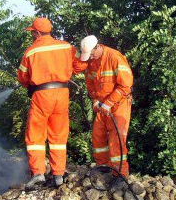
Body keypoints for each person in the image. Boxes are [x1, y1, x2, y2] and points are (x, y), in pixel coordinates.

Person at [17, 17, 86, 189]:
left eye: (32, 31)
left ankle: (38, 173)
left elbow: (22, 77)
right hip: (62, 93)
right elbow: (79, 66)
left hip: (42, 95)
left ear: (37, 32)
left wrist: (30, 85)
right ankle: (58, 175)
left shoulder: (31, 52)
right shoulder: (65, 46)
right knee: (58, 135)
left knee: (35, 135)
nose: (32, 34)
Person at [79, 35, 133, 178]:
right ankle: (103, 167)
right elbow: (90, 85)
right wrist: (96, 100)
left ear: (98, 47)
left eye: (91, 54)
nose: (90, 57)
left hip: (119, 104)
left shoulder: (114, 57)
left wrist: (109, 103)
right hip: (102, 105)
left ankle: (120, 174)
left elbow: (126, 85)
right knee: (98, 136)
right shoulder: (91, 62)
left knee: (117, 139)